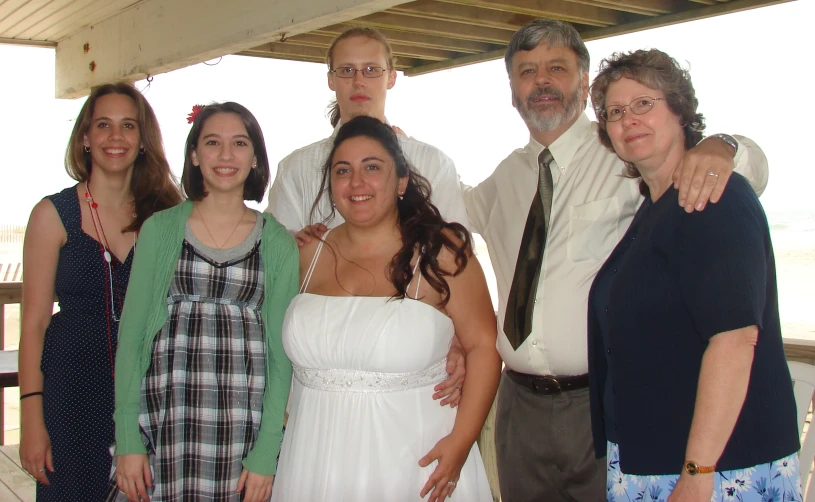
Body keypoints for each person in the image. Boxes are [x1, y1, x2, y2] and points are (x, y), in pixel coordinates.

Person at [460, 19, 771, 502]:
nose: (542, 81)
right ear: (513, 91)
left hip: (601, 406)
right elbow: (435, 216)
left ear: (583, 85)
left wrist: (725, 144)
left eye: (557, 68)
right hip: (518, 408)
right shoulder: (504, 177)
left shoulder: (627, 152)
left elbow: (741, 176)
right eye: (527, 72)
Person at [587, 48, 800, 502]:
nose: (629, 120)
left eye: (644, 103)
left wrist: (698, 470)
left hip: (717, 469)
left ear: (680, 112)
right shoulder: (652, 211)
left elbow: (735, 340)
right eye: (615, 112)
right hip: (652, 459)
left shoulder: (714, 197)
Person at [271, 116, 500, 502]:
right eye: (343, 170)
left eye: (372, 167)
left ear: (401, 181)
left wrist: (461, 442)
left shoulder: (440, 253)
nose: (356, 182)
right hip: (312, 459)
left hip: (415, 462)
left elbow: (484, 345)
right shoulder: (303, 255)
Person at [266, 26, 469, 406]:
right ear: (331, 79)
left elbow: (456, 268)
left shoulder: (432, 163)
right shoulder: (297, 169)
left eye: (371, 69)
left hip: (410, 372)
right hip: (320, 377)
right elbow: (281, 277)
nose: (359, 80)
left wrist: (460, 341)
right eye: (346, 70)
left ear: (392, 77)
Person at [112, 102, 298, 502]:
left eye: (239, 143)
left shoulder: (279, 242)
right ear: (195, 155)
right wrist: (128, 437)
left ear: (254, 159)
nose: (226, 155)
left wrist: (266, 452)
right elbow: (131, 339)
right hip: (164, 425)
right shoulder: (159, 230)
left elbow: (281, 358)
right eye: (212, 142)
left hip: (242, 435)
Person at [18, 82, 182, 501]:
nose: (115, 136)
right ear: (85, 137)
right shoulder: (53, 215)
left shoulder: (166, 216)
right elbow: (34, 323)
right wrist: (32, 418)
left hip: (148, 395)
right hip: (70, 393)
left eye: (128, 126)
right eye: (103, 125)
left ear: (143, 140)